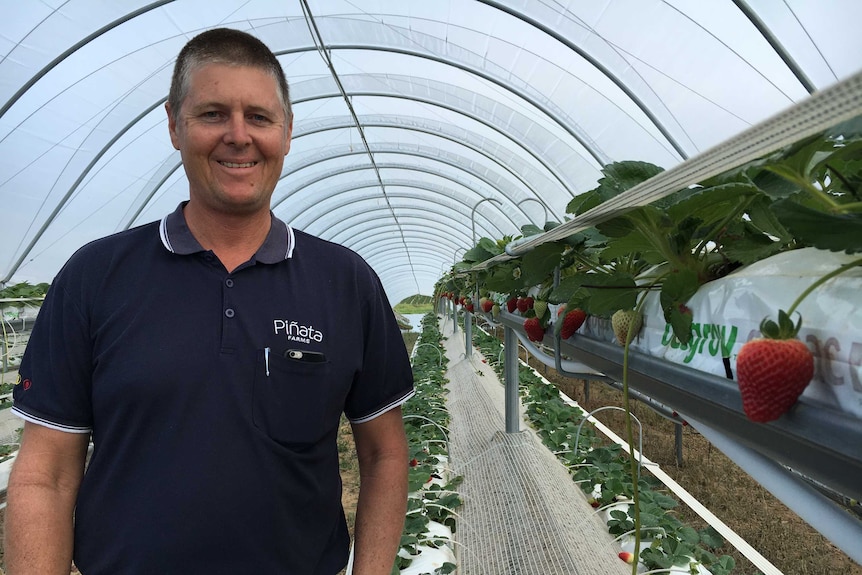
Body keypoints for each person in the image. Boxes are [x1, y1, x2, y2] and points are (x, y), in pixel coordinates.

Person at [4, 28, 414, 575]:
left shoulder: (345, 282)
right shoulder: (95, 276)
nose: (238, 136)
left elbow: (384, 454)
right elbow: (46, 475)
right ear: (174, 124)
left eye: (260, 118)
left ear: (287, 132)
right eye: (213, 114)